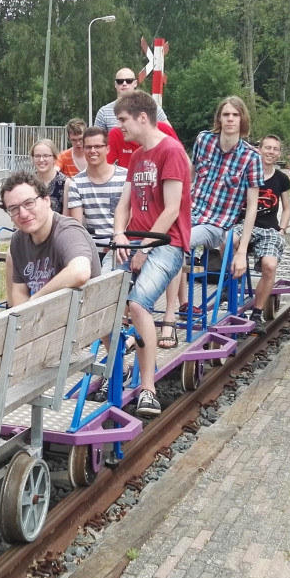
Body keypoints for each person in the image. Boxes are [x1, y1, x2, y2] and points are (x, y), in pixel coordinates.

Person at [110, 91, 191, 419]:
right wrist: (119, 233)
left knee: (138, 302)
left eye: (123, 120)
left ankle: (148, 388)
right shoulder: (136, 157)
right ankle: (115, 369)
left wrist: (144, 248)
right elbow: (124, 204)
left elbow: (172, 208)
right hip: (133, 241)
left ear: (142, 117)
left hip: (167, 244)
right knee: (99, 295)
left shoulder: (171, 151)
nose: (119, 127)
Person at [169, 96, 262, 324]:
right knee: (161, 238)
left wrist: (241, 253)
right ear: (219, 118)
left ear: (242, 119)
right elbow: (188, 178)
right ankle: (179, 301)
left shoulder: (251, 157)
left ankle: (169, 316)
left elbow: (252, 208)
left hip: (217, 224)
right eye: (226, 114)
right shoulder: (204, 140)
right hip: (190, 212)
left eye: (235, 115)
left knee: (178, 241)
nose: (230, 119)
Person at [1, 170, 101, 305]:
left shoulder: (67, 231)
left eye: (29, 203)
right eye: (14, 209)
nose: (23, 214)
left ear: (46, 200)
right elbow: (19, 294)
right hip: (48, 320)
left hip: (80, 321)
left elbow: (80, 272)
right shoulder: (18, 240)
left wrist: (36, 299)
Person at [240, 135, 290, 334]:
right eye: (267, 147)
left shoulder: (281, 179)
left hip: (268, 229)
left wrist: (282, 228)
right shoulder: (246, 173)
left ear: (279, 153)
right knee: (228, 241)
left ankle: (257, 312)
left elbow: (287, 208)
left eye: (275, 149)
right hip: (243, 225)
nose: (271, 152)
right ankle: (228, 286)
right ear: (259, 149)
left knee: (269, 265)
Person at [65, 126, 127, 248]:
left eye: (98, 146)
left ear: (108, 149)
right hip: (91, 246)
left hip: (122, 244)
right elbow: (77, 225)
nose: (93, 150)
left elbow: (131, 217)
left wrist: (116, 241)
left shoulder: (125, 177)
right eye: (88, 147)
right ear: (83, 150)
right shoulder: (76, 182)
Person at [93, 68, 169, 131]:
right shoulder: (104, 112)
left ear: (135, 83)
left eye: (129, 81)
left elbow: (168, 131)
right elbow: (96, 141)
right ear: (115, 84)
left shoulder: (151, 107)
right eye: (120, 81)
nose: (124, 83)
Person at [29, 139, 67, 214]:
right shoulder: (27, 183)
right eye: (37, 156)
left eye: (46, 156)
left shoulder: (65, 183)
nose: (41, 159)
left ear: (55, 158)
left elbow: (66, 218)